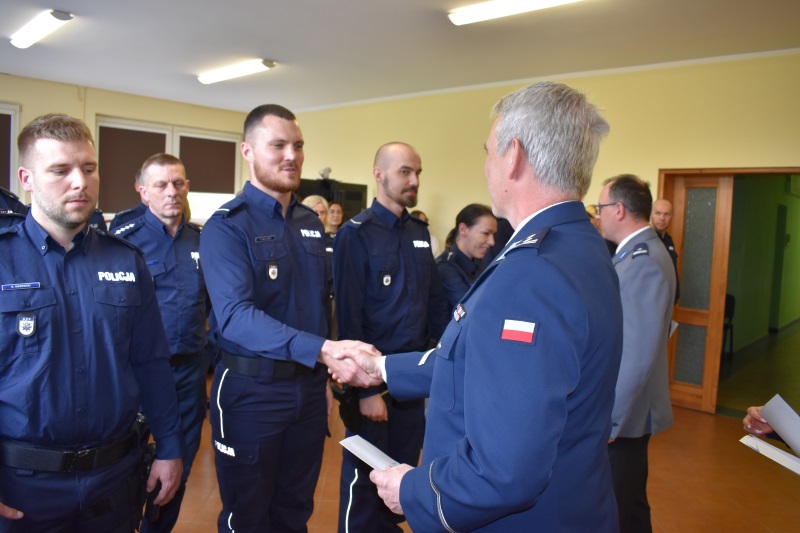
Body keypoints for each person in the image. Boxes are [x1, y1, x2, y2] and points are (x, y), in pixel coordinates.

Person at [334, 82, 621, 531]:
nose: (486, 164)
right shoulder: (581, 246)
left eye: (488, 151)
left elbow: (502, 472)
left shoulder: (531, 274)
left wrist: (413, 490)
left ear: (514, 156)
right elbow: (473, 356)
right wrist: (382, 368)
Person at [199, 104, 380, 532]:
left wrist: (322, 381)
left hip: (307, 391)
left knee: (295, 511)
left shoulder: (308, 223)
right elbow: (235, 317)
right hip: (251, 392)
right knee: (247, 517)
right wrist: (323, 351)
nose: (291, 156)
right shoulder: (226, 226)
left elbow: (320, 306)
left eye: (298, 146)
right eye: (278, 145)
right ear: (248, 151)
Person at [0, 113, 183, 532]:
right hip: (24, 486)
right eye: (60, 170)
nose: (80, 182)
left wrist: (170, 447)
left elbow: (151, 363)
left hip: (113, 481)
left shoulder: (126, 260)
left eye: (88, 168)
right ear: (26, 179)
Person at [333, 142, 449, 532]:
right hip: (373, 385)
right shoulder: (356, 234)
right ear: (378, 174)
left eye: (418, 172)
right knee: (364, 486)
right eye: (404, 171)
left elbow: (435, 305)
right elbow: (348, 318)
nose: (414, 180)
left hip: (411, 381)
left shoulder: (419, 232)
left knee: (400, 484)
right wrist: (364, 391)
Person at [113, 153, 210, 533]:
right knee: (124, 465)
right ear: (143, 191)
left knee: (178, 464)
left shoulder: (201, 241)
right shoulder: (124, 242)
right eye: (161, 185)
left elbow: (213, 307)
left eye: (178, 183)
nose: (172, 192)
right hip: (135, 374)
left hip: (188, 373)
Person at [596, 174, 676, 533]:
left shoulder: (642, 260)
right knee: (630, 506)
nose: (598, 216)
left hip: (627, 416)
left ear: (619, 209)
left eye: (600, 208)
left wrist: (611, 418)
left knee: (614, 508)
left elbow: (636, 352)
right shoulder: (636, 252)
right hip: (631, 412)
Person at [435, 203, 497, 308]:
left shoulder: (477, 262)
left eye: (493, 235)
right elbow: (472, 309)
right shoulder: (446, 268)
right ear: (463, 229)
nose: (492, 242)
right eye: (486, 233)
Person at [651, 198, 680, 302]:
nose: (662, 218)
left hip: (669, 301)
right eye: (658, 213)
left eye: (666, 214)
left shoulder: (669, 241)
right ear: (651, 214)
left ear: (672, 216)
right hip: (653, 301)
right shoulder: (646, 240)